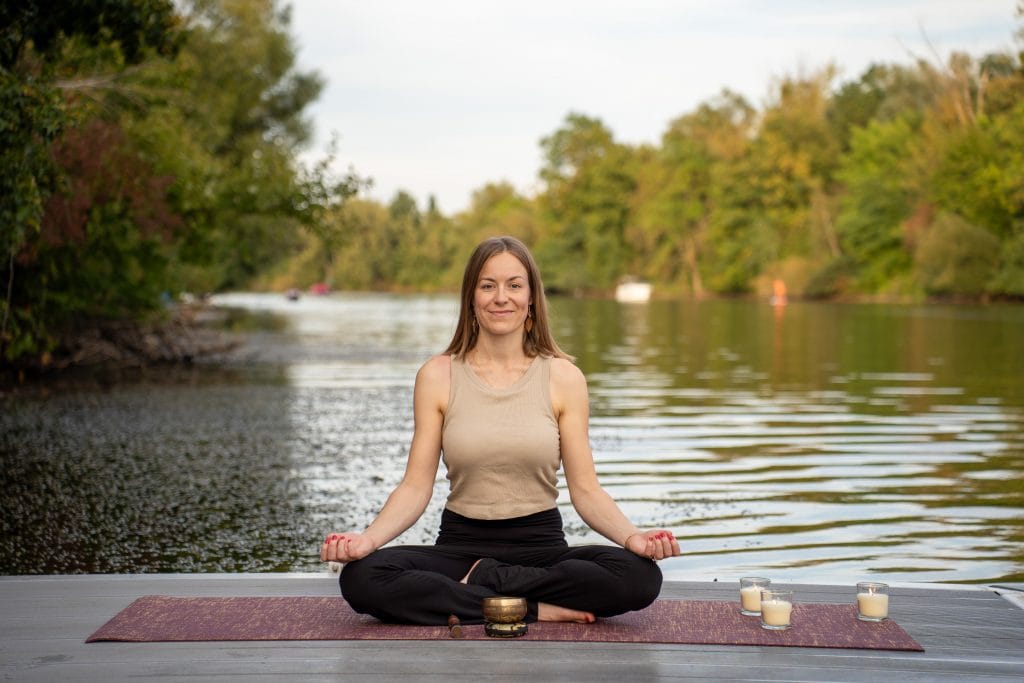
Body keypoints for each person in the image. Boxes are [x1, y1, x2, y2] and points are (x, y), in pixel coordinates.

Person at [320, 236, 681, 625]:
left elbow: (586, 491)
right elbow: (415, 487)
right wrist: (367, 540)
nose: (500, 297)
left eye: (514, 285)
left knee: (639, 576)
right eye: (487, 285)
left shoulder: (564, 378)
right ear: (471, 298)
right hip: (460, 546)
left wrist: (633, 538)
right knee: (362, 578)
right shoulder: (438, 376)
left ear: (531, 298)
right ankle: (532, 609)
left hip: (541, 546)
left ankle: (483, 585)